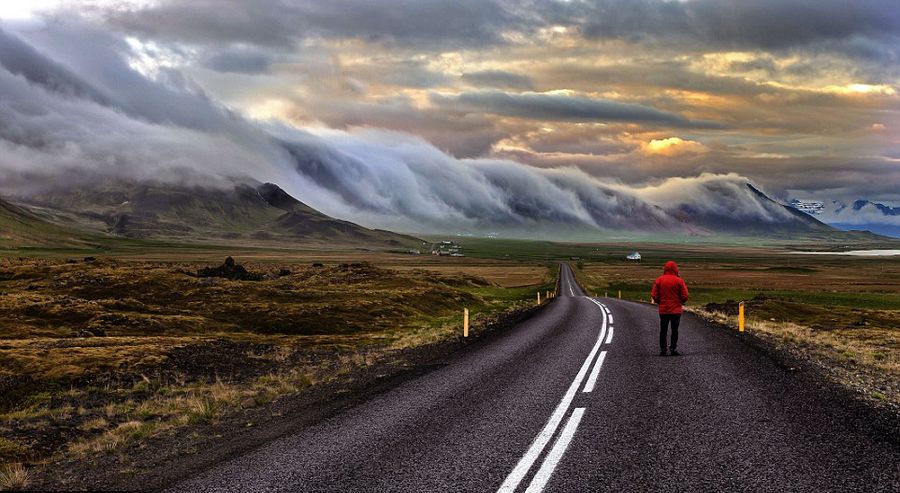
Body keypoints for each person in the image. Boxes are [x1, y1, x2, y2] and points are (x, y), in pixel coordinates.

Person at [651, 260, 689, 356]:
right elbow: (685, 295)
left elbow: (654, 294)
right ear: (675, 269)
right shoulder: (679, 280)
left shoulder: (659, 280)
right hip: (676, 310)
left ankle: (663, 350)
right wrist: (681, 302)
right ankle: (673, 348)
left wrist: (659, 302)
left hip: (663, 310)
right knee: (674, 330)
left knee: (663, 330)